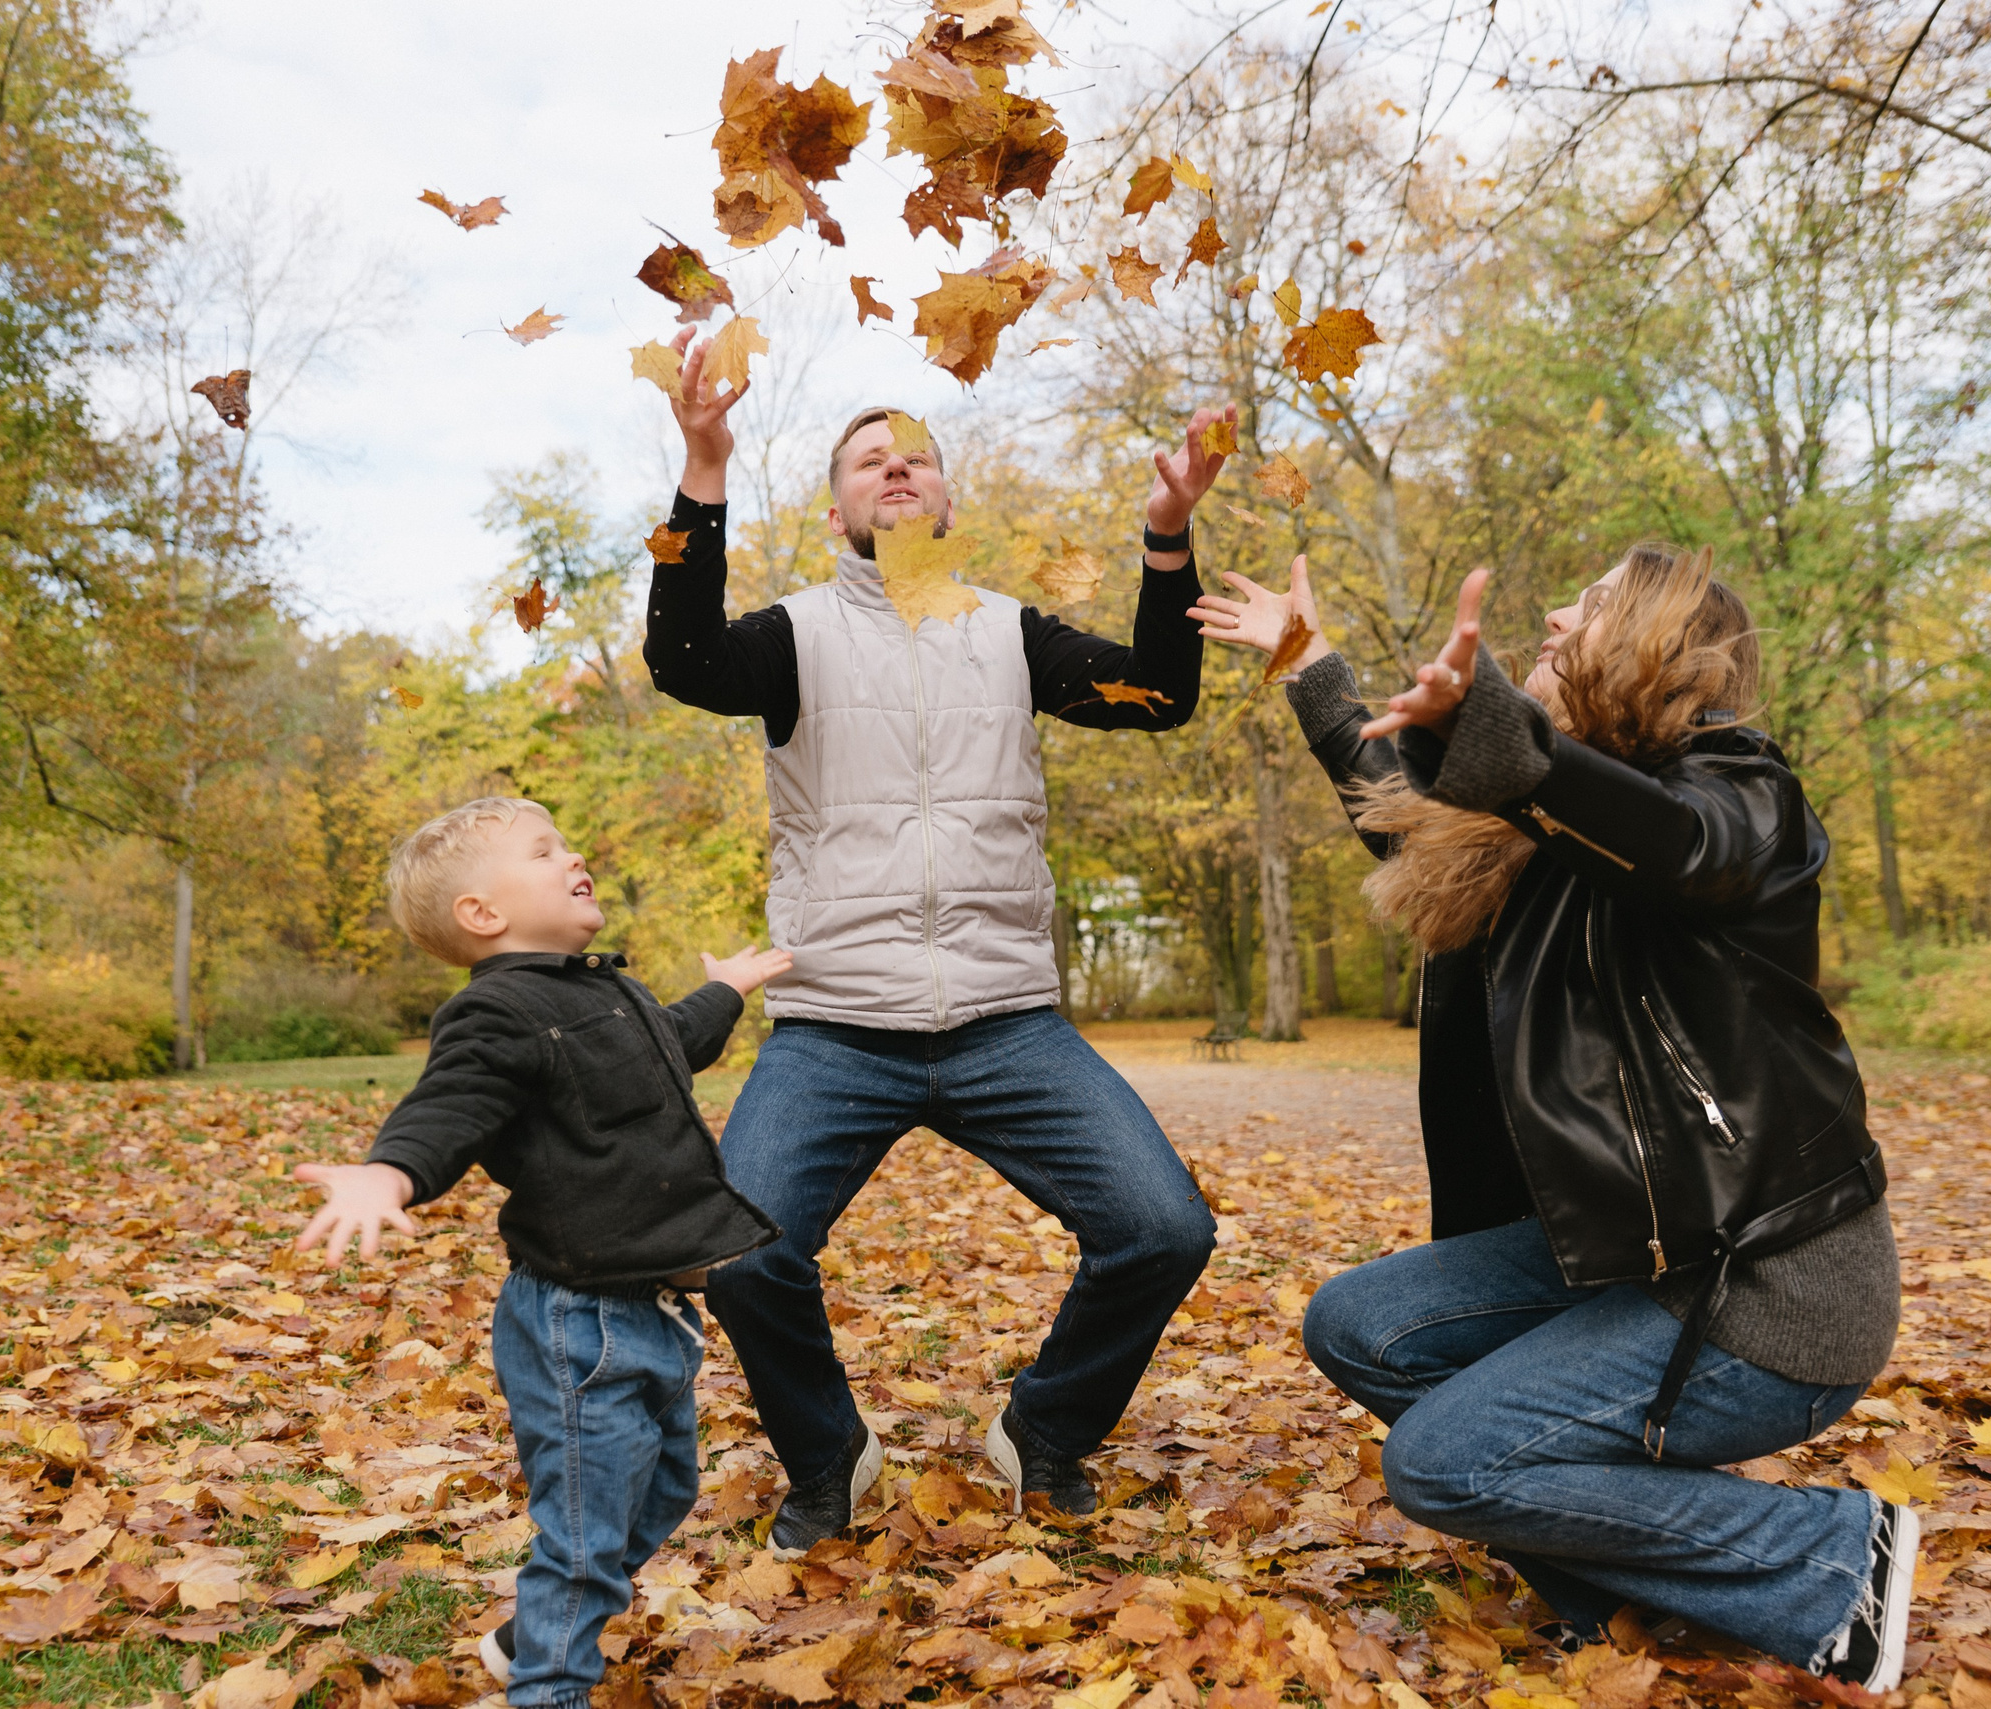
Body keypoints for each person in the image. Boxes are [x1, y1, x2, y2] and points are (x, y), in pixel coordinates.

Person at [1192, 548, 1915, 1688]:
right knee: (1361, 1323)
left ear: (1654, 644)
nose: (1552, 608)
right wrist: (1307, 657)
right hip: (1639, 1255)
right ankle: (1632, 1591)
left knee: (1438, 1465)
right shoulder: (1526, 839)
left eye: (1587, 602)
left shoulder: (1739, 793)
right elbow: (1397, 807)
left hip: (1768, 1282)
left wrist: (1515, 751)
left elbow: (1681, 846)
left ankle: (1825, 1555)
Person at [640, 327, 1225, 1548]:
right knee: (741, 1251)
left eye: (915, 455)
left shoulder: (1014, 636)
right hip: (836, 1022)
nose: (893, 468)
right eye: (867, 458)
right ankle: (827, 1457)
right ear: (839, 503)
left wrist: (1166, 543)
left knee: (1164, 1229)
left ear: (948, 496)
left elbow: (1159, 694)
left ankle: (1047, 1426)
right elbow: (682, 659)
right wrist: (702, 471)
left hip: (1006, 1019)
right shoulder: (791, 636)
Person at [291, 797, 789, 1709]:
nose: (574, 854)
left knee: (665, 1491)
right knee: (586, 1537)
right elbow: (450, 1103)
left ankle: (529, 1634)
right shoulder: (497, 1013)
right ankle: (547, 1685)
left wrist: (731, 987)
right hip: (580, 1321)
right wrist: (389, 1172)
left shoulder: (608, 990)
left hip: (656, 1309)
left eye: (567, 840)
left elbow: (672, 1044)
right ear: (484, 913)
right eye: (543, 849)